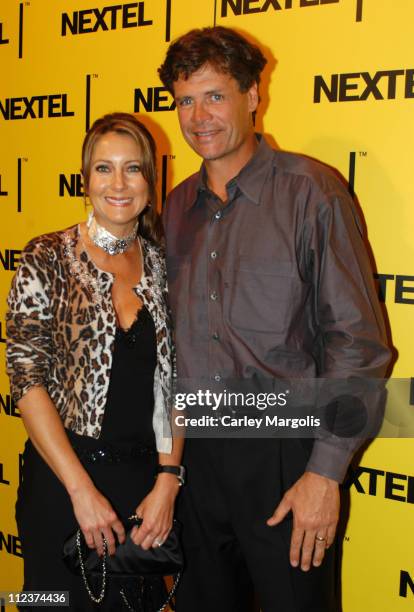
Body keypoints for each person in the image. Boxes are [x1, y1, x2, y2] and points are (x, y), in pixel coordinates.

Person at [158, 27, 391, 612]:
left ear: (253, 95)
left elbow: (358, 348)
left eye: (214, 96)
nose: (198, 117)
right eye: (185, 100)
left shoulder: (313, 193)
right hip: (196, 458)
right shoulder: (175, 206)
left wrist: (325, 474)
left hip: (286, 456)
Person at [6, 112, 184, 610]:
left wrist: (168, 479)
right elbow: (26, 380)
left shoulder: (165, 268)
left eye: (133, 168)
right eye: (104, 168)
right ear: (85, 180)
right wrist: (81, 492)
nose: (119, 184)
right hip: (62, 483)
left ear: (151, 179)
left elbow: (174, 386)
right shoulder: (47, 257)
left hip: (144, 493)